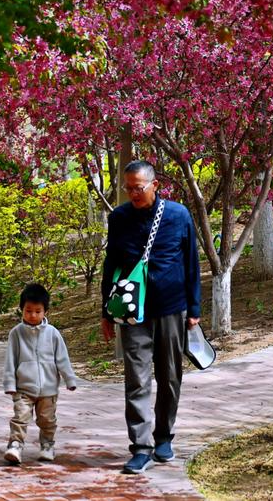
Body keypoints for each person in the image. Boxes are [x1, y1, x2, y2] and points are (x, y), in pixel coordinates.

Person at [100, 160, 200, 474]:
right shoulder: (119, 217)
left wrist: (194, 309)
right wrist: (106, 310)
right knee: (137, 380)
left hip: (172, 308)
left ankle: (164, 438)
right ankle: (141, 448)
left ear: (154, 185)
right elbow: (110, 264)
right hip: (133, 313)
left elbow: (192, 263)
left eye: (138, 187)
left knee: (170, 377)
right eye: (128, 188)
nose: (133, 193)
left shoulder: (178, 215)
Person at [1, 282, 77, 465]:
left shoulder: (52, 334)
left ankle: (47, 446)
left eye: (37, 311)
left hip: (48, 389)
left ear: (45, 312)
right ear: (21, 310)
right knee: (20, 417)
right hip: (23, 388)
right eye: (28, 310)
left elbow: (62, 359)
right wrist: (10, 384)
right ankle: (15, 445)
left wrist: (69, 379)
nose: (32, 315)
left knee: (47, 420)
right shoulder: (16, 334)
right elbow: (10, 360)